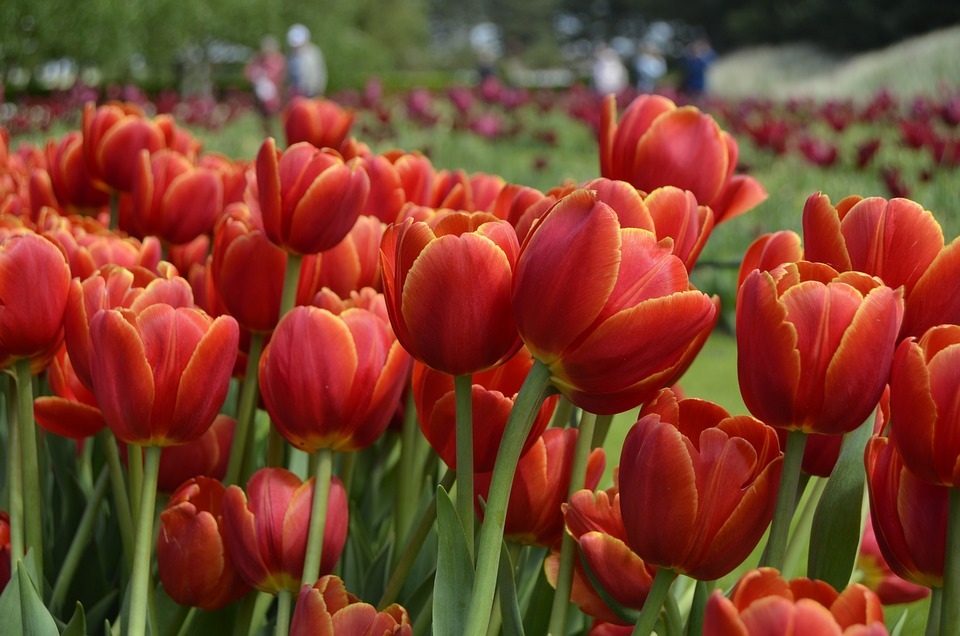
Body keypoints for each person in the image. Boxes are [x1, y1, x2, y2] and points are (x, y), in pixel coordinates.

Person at [244, 35, 286, 136]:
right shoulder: (257, 59)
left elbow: (282, 77)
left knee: (275, 117)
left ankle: (276, 136)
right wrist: (256, 78)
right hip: (260, 95)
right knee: (263, 118)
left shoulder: (279, 60)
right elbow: (248, 73)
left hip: (275, 95)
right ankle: (266, 135)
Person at [286, 24, 327, 98]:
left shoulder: (313, 52)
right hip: (296, 91)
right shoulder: (291, 55)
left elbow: (320, 72)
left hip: (311, 91)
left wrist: (319, 89)